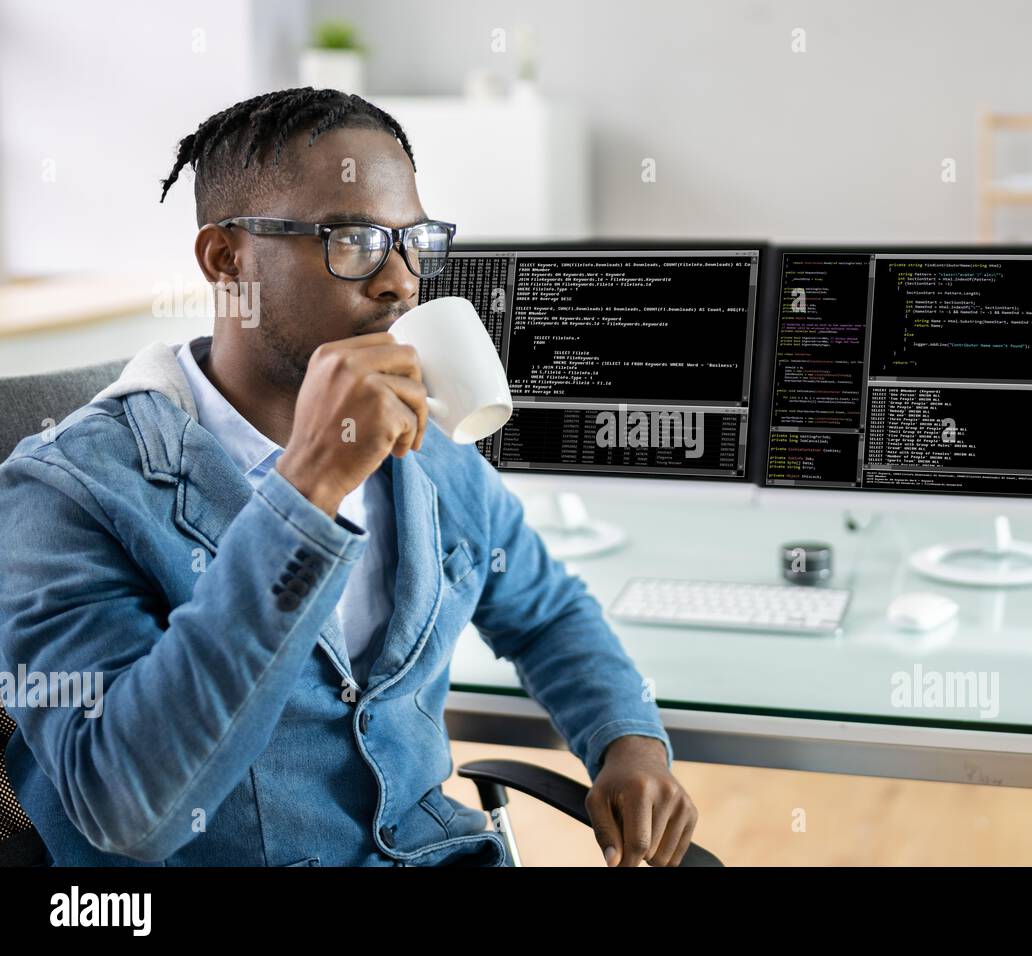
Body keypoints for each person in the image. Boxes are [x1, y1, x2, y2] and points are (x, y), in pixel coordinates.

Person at [0, 88, 697, 867]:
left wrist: (629, 742)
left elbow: (547, 609)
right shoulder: (63, 495)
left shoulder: (426, 445)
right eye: (354, 240)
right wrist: (306, 492)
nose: (401, 280)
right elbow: (125, 806)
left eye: (414, 241)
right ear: (226, 260)